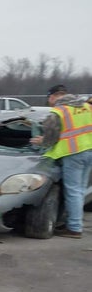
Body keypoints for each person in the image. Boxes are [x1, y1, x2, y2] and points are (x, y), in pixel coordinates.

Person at [30, 84, 92, 238]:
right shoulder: (86, 107)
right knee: (80, 189)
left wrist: (40, 141)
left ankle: (74, 228)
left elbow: (51, 138)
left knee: (73, 191)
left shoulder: (58, 111)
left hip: (73, 153)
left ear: (52, 97)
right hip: (89, 151)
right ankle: (73, 222)